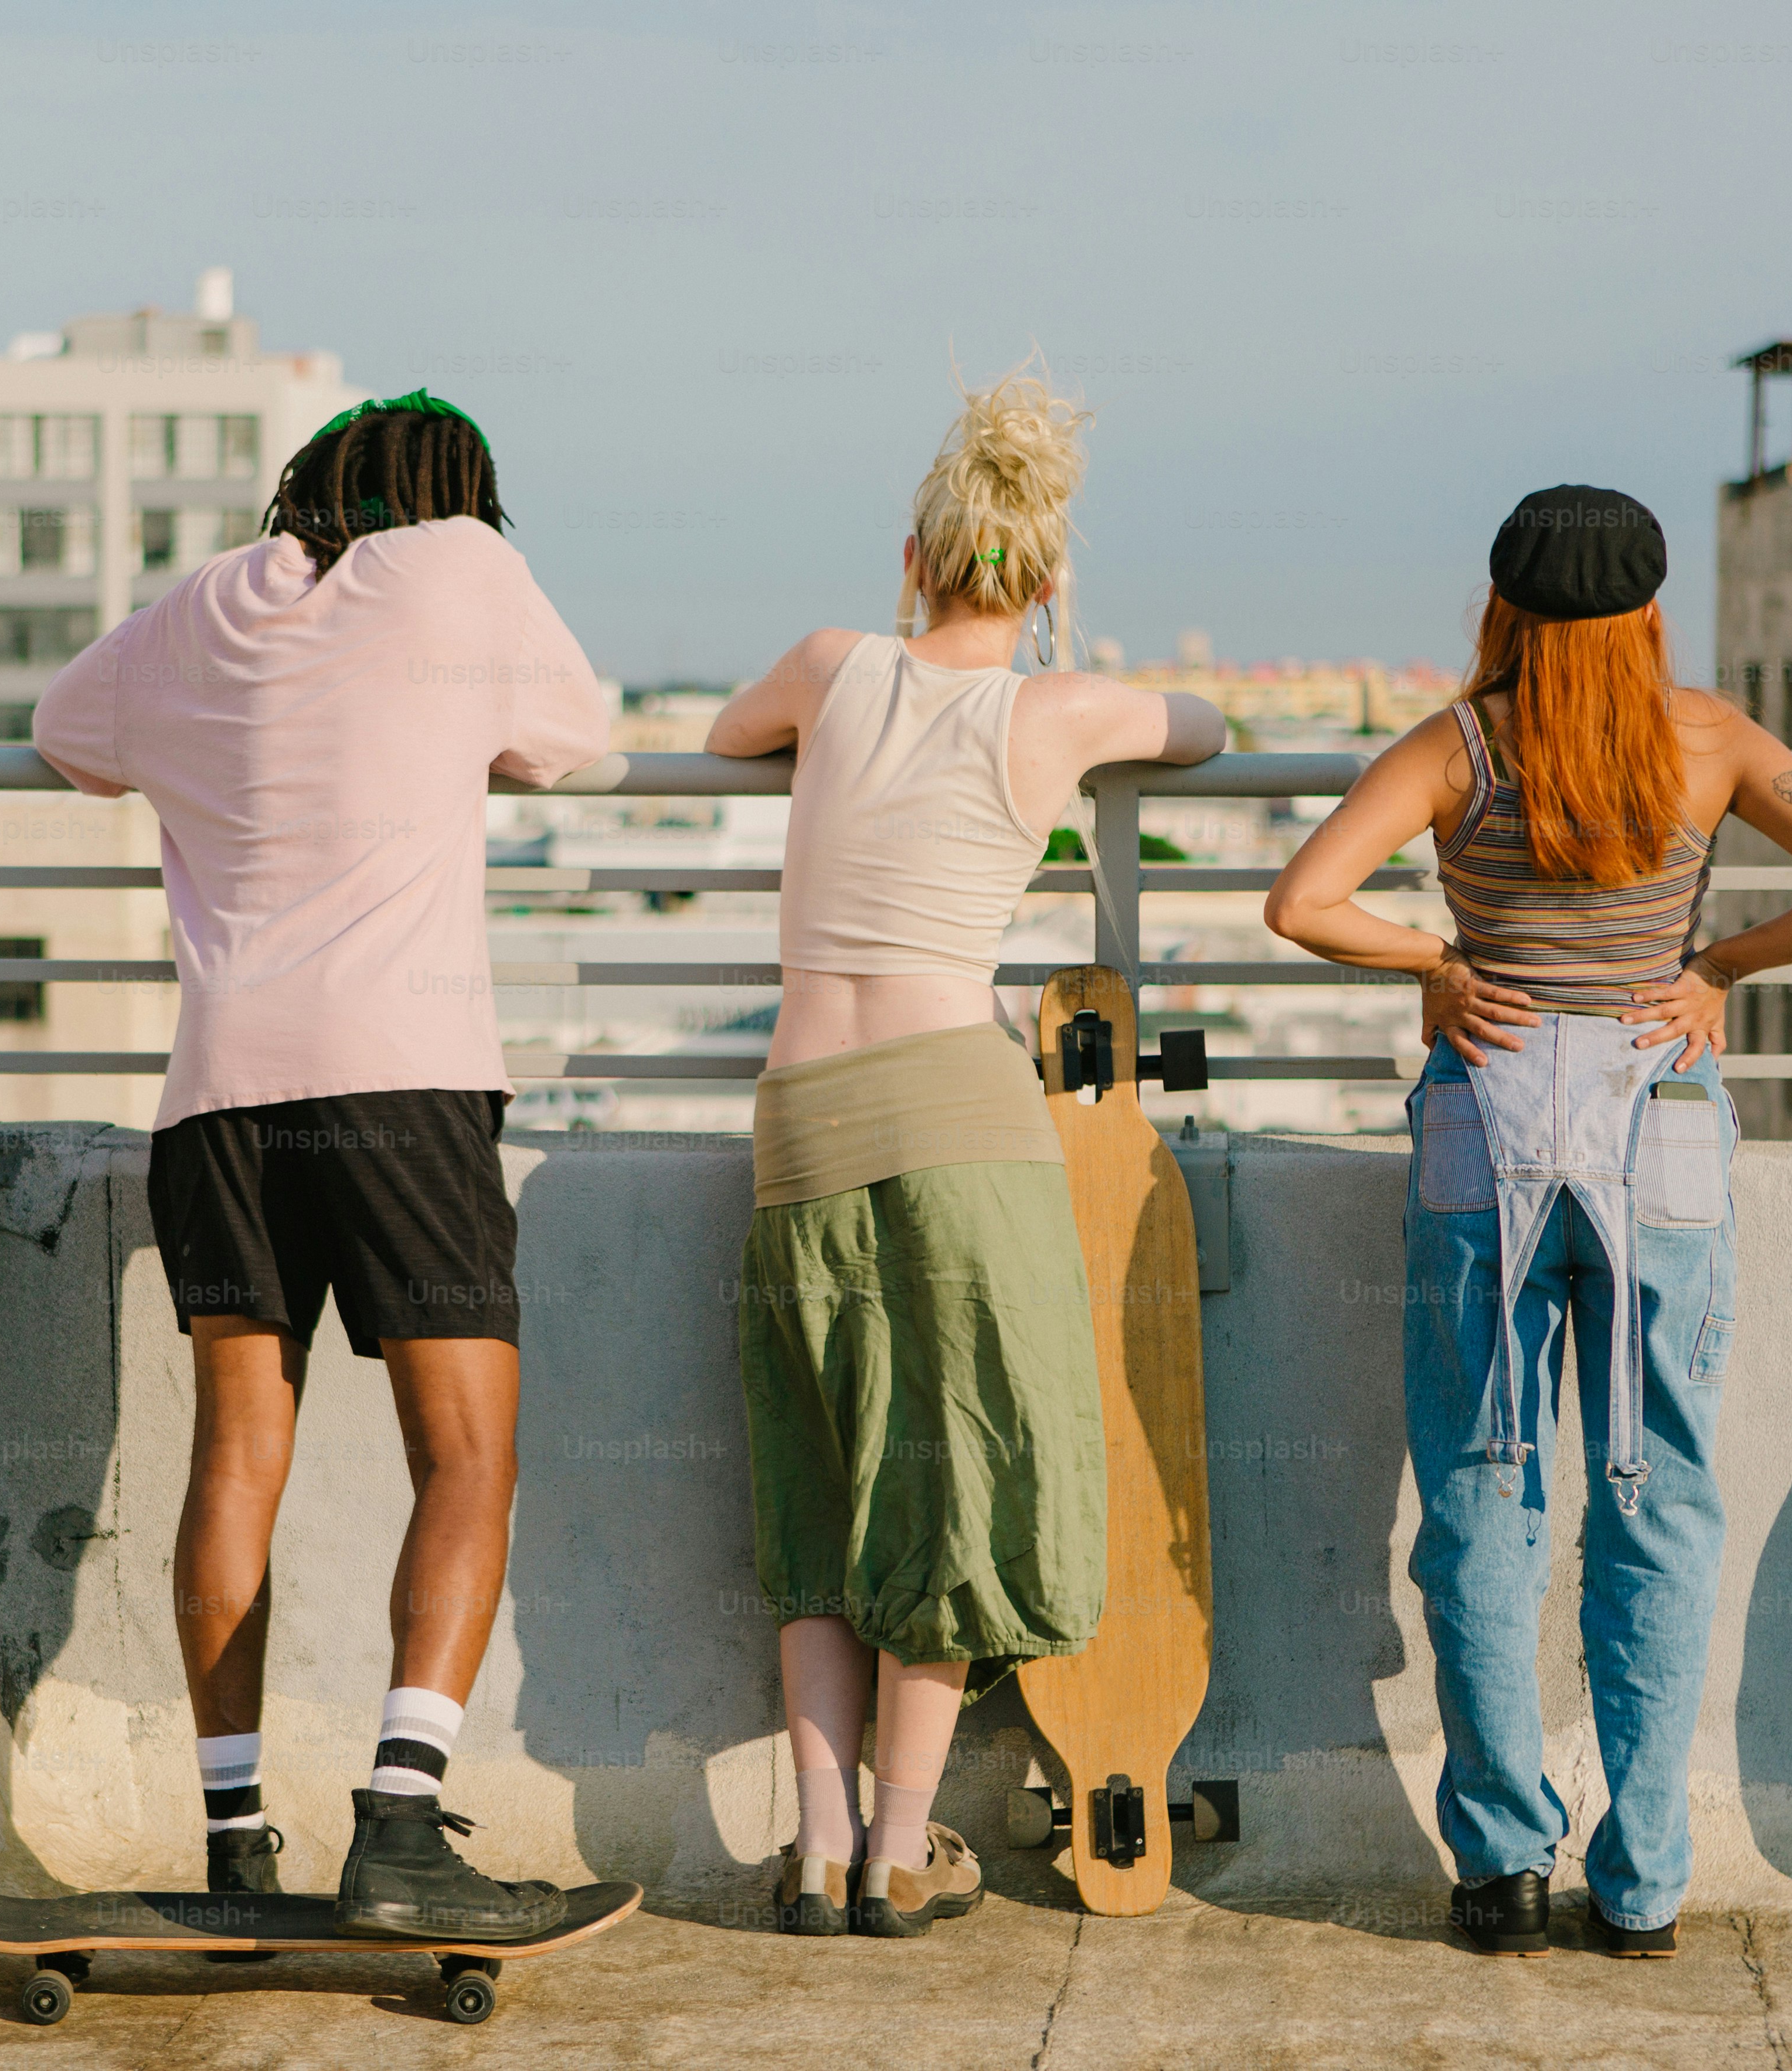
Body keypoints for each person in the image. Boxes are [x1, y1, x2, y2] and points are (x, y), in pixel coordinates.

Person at [1262, 485, 1792, 1958]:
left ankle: (1498, 1870)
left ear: (1502, 609)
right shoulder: (1711, 741)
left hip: (1481, 1119)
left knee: (1485, 1489)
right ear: (1648, 611)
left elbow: (1302, 902)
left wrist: (1436, 961)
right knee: (1658, 1492)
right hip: (1657, 1122)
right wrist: (1717, 968)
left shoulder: (1457, 746)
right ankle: (1644, 1886)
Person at [30, 391, 609, 1941]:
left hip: (219, 1095)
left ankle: (235, 1837)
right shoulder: (458, 568)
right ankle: (403, 1822)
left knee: (236, 1453)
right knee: (465, 1453)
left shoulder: (202, 603)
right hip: (400, 1081)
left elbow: (64, 732)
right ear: (450, 493)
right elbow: (578, 737)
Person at [705, 372, 1226, 1937]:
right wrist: (1086, 660)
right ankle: (896, 1848)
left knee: (821, 1475)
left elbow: (732, 734)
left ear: (913, 555)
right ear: (1045, 580)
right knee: (953, 1472)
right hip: (956, 1115)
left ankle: (809, 1844)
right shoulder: (1052, 712)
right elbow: (1204, 727)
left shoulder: (824, 664)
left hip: (800, 1120)